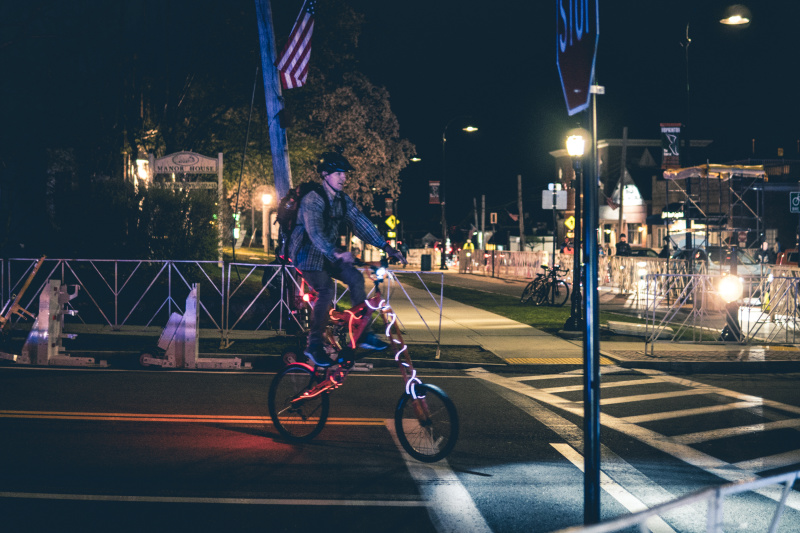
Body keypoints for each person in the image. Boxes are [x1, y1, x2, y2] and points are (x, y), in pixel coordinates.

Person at [289, 152, 406, 367]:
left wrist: (387, 247)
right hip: (307, 254)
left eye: (345, 174)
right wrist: (337, 253)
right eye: (338, 173)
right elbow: (315, 233)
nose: (343, 178)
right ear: (325, 174)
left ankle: (362, 334)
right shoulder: (312, 199)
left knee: (355, 277)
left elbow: (361, 223)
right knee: (326, 289)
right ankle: (314, 345)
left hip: (330, 254)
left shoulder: (342, 200)